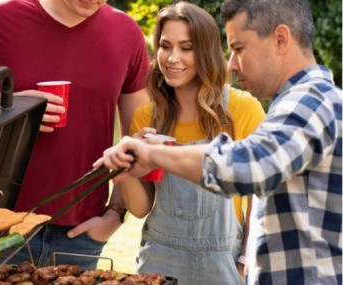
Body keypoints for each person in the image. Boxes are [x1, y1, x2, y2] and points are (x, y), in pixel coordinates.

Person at [94, 0, 342, 284]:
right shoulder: (295, 104)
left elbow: (249, 167)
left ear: (280, 39)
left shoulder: (310, 103)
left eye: (238, 49)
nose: (232, 64)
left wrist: (153, 155)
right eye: (165, 46)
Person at [0, 0, 150, 269]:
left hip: (80, 236)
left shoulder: (126, 31)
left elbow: (136, 139)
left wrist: (114, 214)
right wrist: (10, 105)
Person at [114, 2, 265, 284]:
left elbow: (262, 198)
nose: (172, 58)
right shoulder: (148, 116)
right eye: (165, 45)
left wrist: (245, 261)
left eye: (186, 47)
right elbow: (140, 208)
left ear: (206, 51)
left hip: (223, 264)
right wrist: (129, 162)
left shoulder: (242, 109)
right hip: (159, 261)